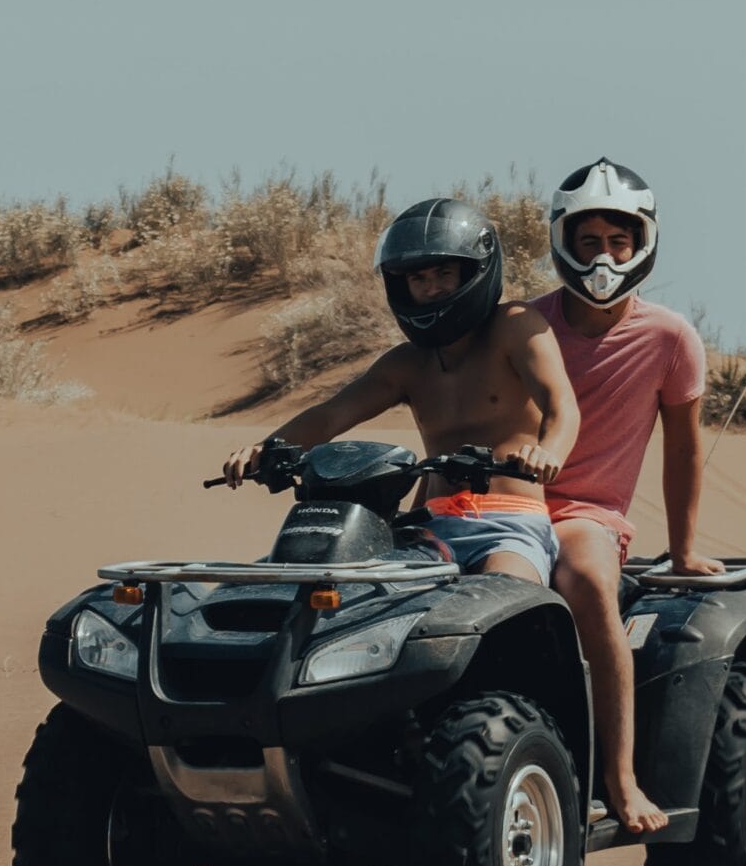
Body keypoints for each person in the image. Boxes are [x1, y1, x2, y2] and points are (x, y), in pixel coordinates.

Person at [222, 199, 578, 584]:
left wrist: (548, 452)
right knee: (362, 598)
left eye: (444, 273)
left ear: (474, 271)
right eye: (417, 279)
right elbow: (330, 415)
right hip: (429, 528)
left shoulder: (515, 325)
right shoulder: (407, 363)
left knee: (508, 594)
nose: (431, 288)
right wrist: (266, 448)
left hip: (510, 525)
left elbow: (562, 405)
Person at [534, 158, 722, 836]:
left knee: (583, 577)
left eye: (619, 241)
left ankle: (618, 775)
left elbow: (682, 449)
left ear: (643, 243)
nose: (604, 257)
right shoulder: (523, 326)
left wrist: (687, 548)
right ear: (561, 240)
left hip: (588, 514)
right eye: (589, 242)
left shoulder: (671, 337)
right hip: (507, 505)